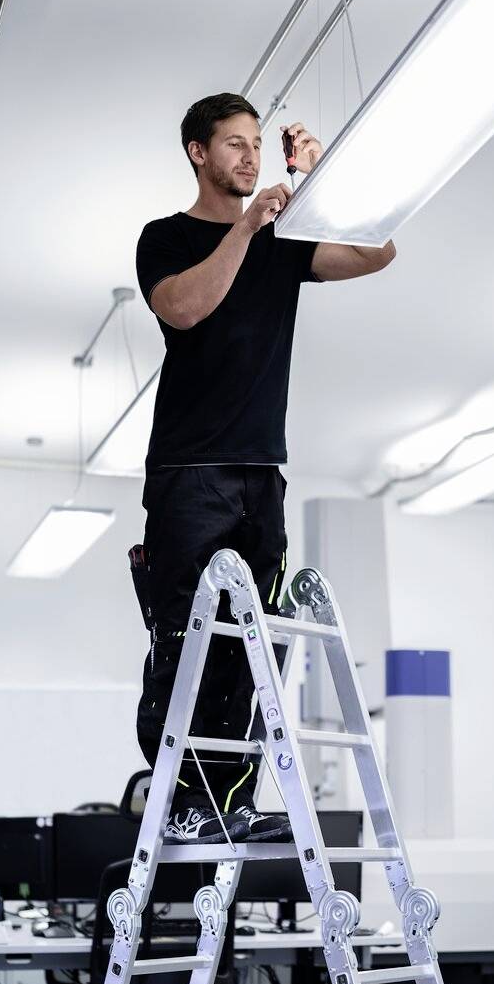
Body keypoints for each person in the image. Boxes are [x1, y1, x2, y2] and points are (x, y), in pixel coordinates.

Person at [135, 92, 395, 843]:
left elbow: (378, 252)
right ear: (198, 152)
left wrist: (322, 180)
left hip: (261, 474)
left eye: (256, 144)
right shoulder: (166, 237)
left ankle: (230, 801)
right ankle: (180, 802)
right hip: (189, 471)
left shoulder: (284, 244)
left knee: (252, 646)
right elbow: (186, 308)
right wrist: (247, 227)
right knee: (184, 640)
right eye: (234, 144)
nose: (249, 157)